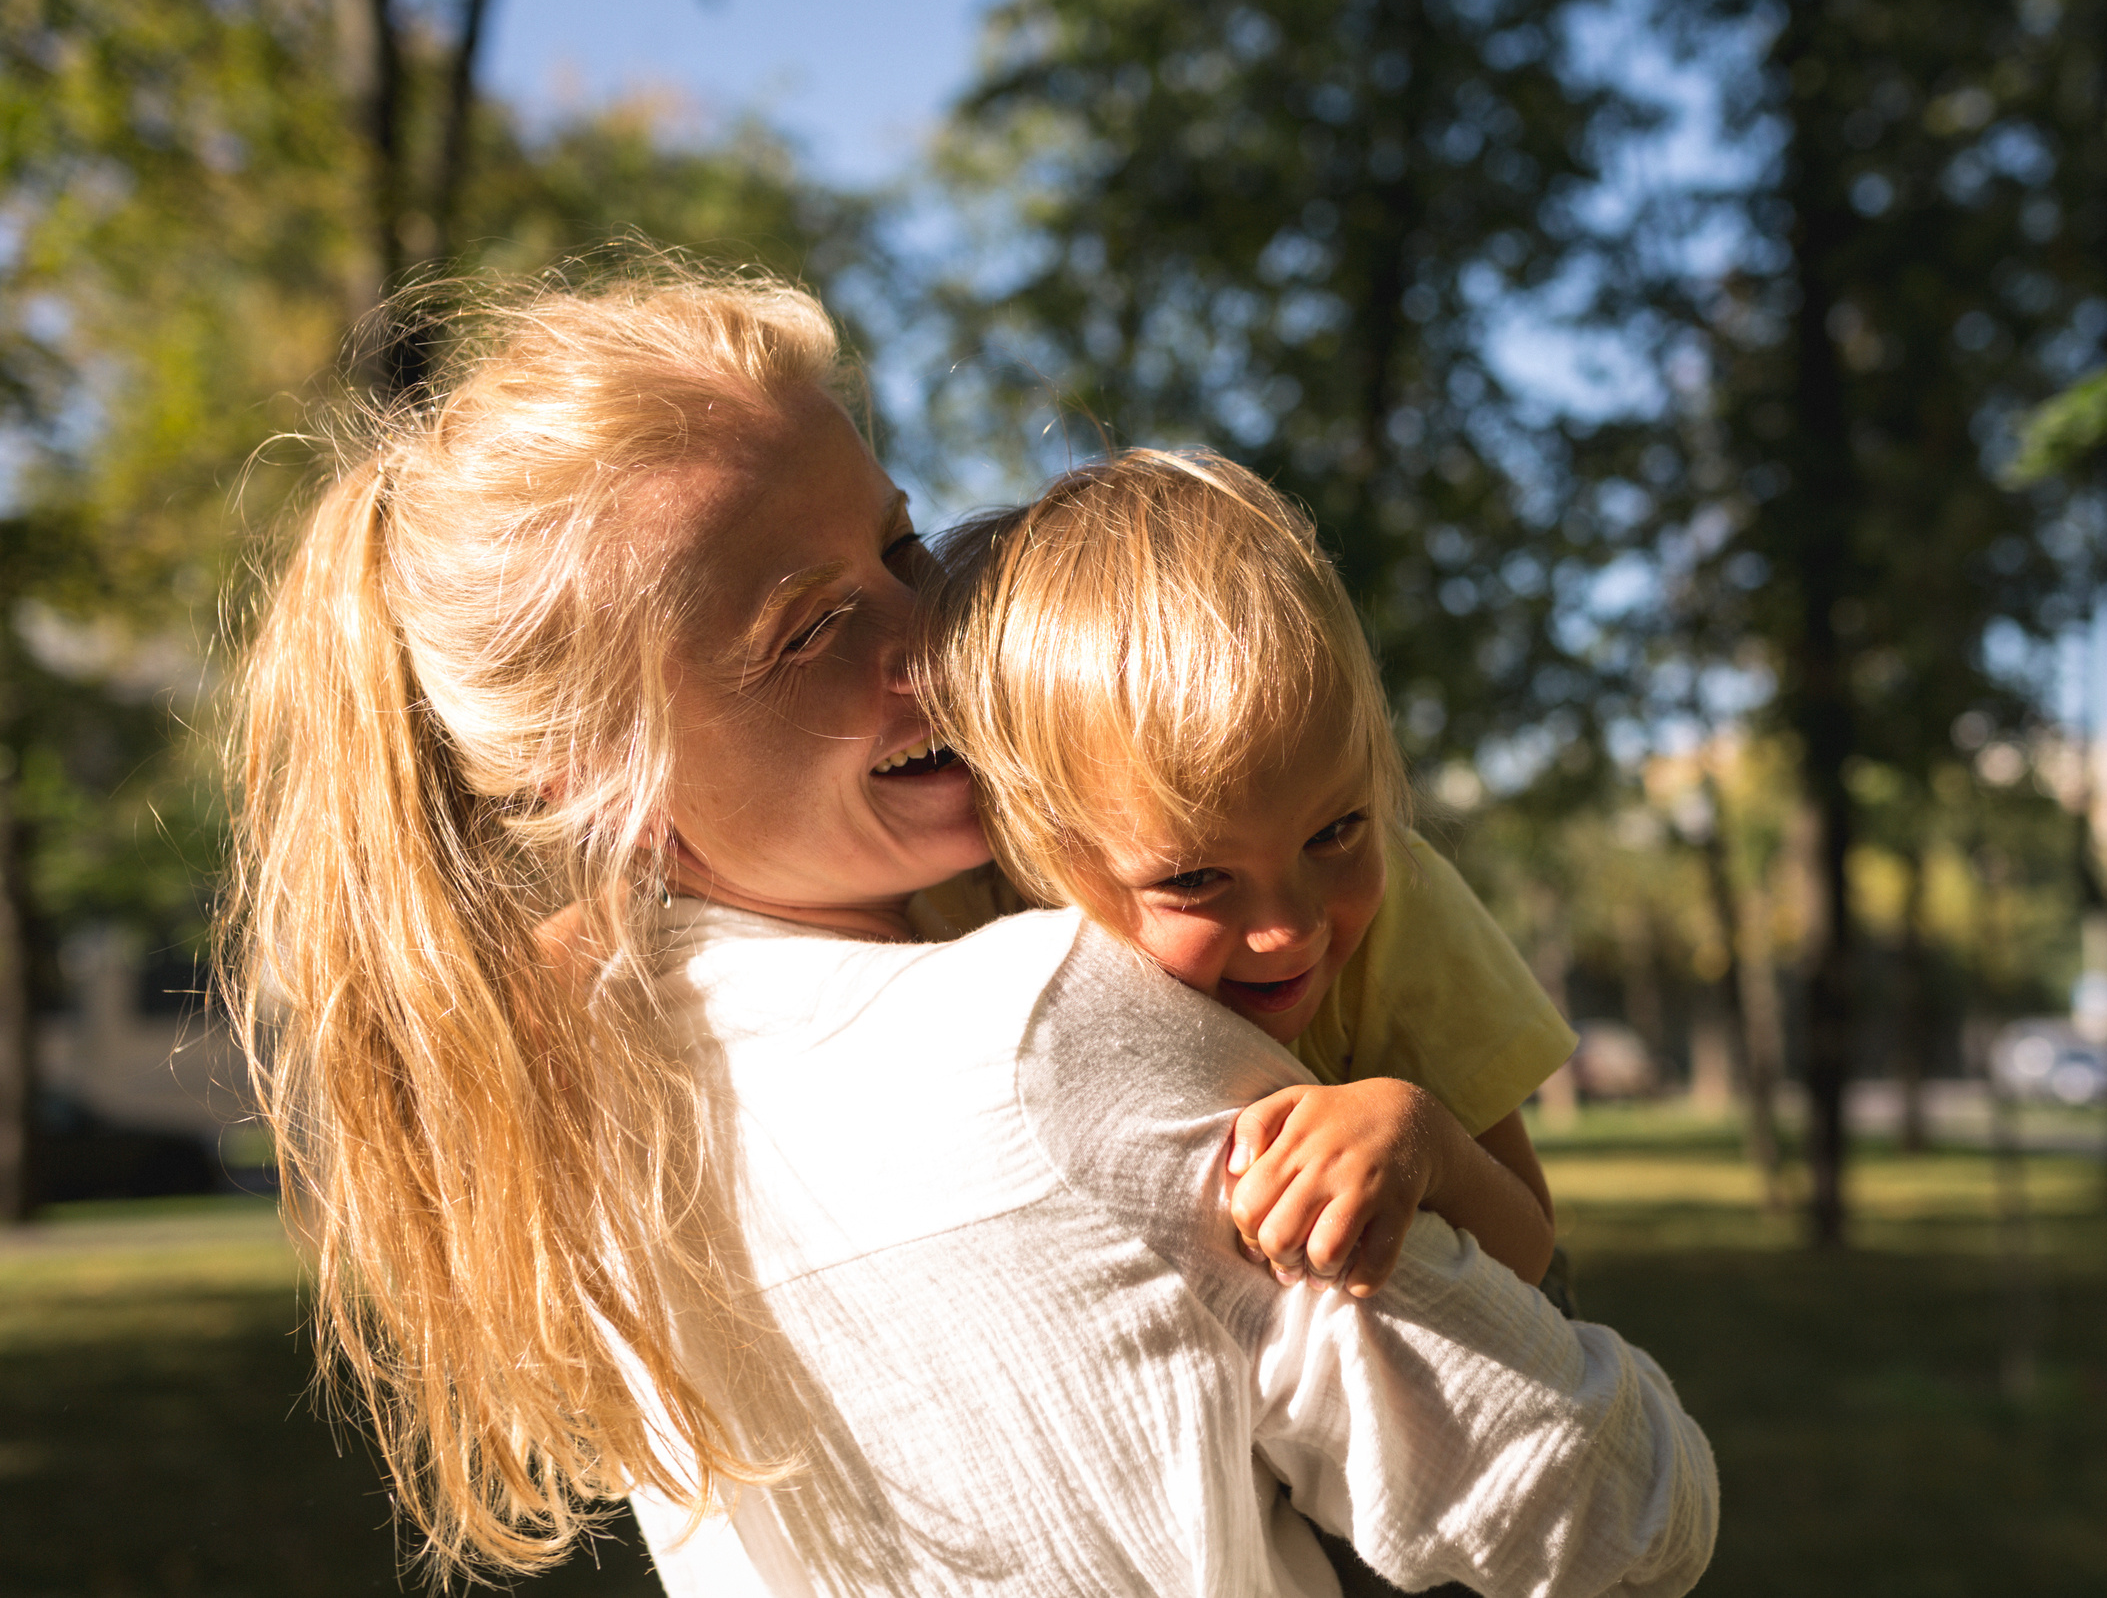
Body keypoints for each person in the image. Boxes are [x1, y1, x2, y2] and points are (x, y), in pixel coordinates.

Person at [224, 259, 1717, 1595]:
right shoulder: (1043, 1026)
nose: (926, 636)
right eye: (807, 627)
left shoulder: (567, 1118)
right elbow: (1603, 1512)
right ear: (588, 771)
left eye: (902, 543)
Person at [910, 450, 1576, 1302]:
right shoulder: (987, 941)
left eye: (1337, 829)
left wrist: (1421, 1136)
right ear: (1040, 849)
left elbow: (1530, 1245)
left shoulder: (1406, 906)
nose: (1290, 927)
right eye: (1195, 880)